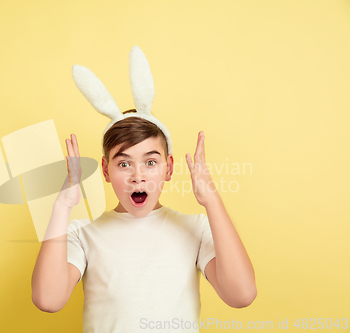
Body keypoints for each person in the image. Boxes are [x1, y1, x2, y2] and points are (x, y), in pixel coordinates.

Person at [31, 46, 256, 332]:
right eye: (124, 164)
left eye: (150, 162)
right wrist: (62, 206)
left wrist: (212, 201)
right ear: (105, 170)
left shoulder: (196, 229)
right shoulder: (82, 234)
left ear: (169, 168)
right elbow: (48, 300)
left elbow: (242, 295)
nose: (138, 176)